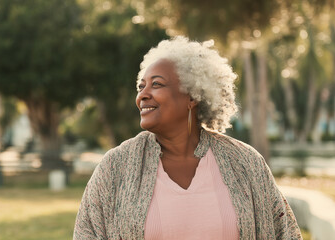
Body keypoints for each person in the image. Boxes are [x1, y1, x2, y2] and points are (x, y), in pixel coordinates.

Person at [74, 36, 302, 240]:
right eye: (141, 86)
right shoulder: (116, 167)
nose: (143, 95)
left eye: (157, 84)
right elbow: (87, 233)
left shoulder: (245, 162)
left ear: (192, 97)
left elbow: (284, 232)